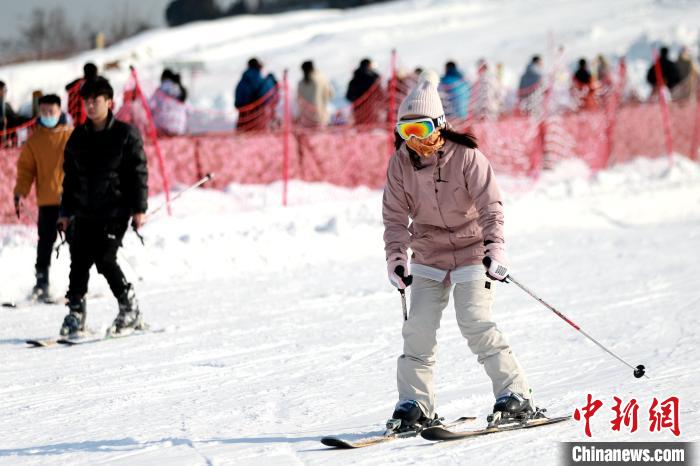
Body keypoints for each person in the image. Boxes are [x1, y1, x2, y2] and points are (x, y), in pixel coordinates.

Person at [382, 71, 534, 432]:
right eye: (405, 132)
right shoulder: (401, 164)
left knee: (475, 321)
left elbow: (491, 208)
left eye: (419, 129)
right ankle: (415, 402)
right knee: (416, 329)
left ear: (438, 125)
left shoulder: (467, 157)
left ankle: (516, 395)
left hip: (471, 252)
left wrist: (495, 249)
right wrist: (397, 258)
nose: (412, 140)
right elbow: (393, 217)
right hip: (429, 255)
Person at [57, 77, 148, 337]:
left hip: (116, 209)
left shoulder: (125, 134)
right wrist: (65, 213)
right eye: (87, 101)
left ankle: (129, 307)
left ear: (109, 102)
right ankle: (75, 312)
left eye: (95, 101)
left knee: (105, 258)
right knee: (79, 259)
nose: (91, 106)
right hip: (84, 210)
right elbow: (70, 179)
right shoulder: (78, 137)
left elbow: (138, 172)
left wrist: (139, 208)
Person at [13, 94, 73, 301]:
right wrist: (20, 192)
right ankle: (41, 282)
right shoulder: (35, 141)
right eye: (44, 112)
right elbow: (26, 170)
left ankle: (78, 284)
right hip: (47, 201)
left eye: (52, 111)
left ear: (60, 111)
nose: (48, 115)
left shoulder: (71, 136)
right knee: (45, 243)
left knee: (76, 243)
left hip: (71, 201)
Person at [234, 58, 278, 131]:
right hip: (255, 112)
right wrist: (271, 81)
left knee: (243, 134)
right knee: (255, 134)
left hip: (242, 113)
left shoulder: (244, 78)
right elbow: (266, 95)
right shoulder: (258, 78)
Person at [346, 58, 384, 125]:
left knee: (360, 129)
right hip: (373, 109)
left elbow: (348, 96)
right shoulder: (374, 78)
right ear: (369, 65)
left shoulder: (354, 80)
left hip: (358, 110)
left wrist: (356, 100)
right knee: (372, 129)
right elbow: (380, 94)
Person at [150, 68, 188, 135]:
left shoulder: (159, 90)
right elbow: (188, 111)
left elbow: (150, 107)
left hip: (161, 129)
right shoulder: (181, 90)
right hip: (179, 130)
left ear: (163, 77)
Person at [297, 60, 333, 127]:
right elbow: (330, 94)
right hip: (320, 117)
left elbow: (298, 100)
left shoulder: (301, 83)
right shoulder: (321, 78)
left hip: (305, 119)